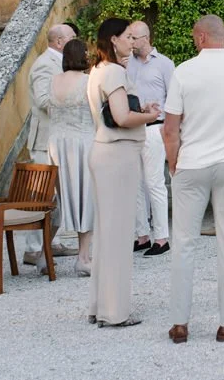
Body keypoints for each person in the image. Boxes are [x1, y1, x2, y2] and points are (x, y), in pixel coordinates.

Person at [164, 15, 224, 344]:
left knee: (184, 242)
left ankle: (180, 323)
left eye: (195, 36)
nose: (194, 41)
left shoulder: (184, 71)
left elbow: (170, 129)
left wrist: (174, 163)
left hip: (192, 161)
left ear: (203, 37)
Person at [86, 18, 160, 327]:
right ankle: (115, 312)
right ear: (113, 40)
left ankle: (100, 306)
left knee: (106, 233)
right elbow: (121, 117)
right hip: (118, 154)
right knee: (118, 235)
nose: (133, 42)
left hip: (104, 151)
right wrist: (150, 116)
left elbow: (114, 113)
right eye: (128, 37)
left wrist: (139, 111)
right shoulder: (115, 71)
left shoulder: (97, 70)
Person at [23, 23, 76, 268]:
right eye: (72, 37)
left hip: (58, 139)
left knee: (58, 197)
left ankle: (50, 242)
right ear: (59, 42)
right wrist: (74, 102)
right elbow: (44, 100)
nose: (76, 41)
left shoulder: (61, 63)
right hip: (44, 141)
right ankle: (33, 249)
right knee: (42, 196)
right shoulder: (45, 64)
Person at [47, 38, 96, 276]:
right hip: (82, 144)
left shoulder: (54, 80)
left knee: (58, 200)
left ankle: (43, 253)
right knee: (86, 198)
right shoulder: (88, 81)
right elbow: (97, 113)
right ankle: (83, 257)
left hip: (56, 143)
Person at [127, 21, 174, 256]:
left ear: (146, 38)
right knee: (135, 184)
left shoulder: (164, 64)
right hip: (132, 127)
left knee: (154, 182)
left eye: (133, 38)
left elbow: (174, 98)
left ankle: (162, 238)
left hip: (155, 128)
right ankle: (142, 235)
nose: (130, 42)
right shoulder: (127, 64)